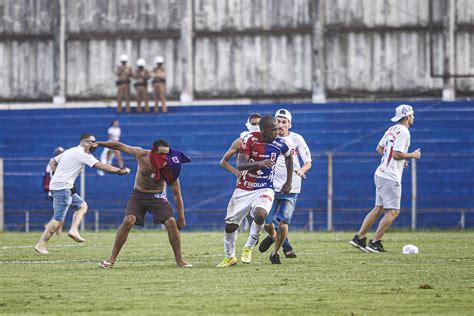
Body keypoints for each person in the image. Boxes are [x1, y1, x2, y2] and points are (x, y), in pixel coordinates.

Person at [92, 139, 193, 268]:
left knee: (171, 222)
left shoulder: (170, 166)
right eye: (161, 154)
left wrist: (182, 218)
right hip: (139, 194)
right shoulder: (142, 154)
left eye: (166, 154)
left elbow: (177, 194)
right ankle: (111, 260)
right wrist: (99, 143)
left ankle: (180, 261)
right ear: (153, 152)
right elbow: (119, 146)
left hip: (157, 196)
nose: (164, 157)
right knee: (129, 220)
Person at [216, 115, 293, 267]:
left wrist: (288, 182)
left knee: (261, 214)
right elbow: (240, 164)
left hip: (265, 187)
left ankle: (249, 246)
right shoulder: (249, 140)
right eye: (273, 130)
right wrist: (260, 163)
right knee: (231, 224)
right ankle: (230, 257)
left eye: (278, 129)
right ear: (263, 131)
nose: (277, 132)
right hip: (244, 187)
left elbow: (289, 157)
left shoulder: (280, 143)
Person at [34, 134, 130, 254]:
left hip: (62, 186)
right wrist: (119, 171)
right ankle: (41, 244)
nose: (95, 144)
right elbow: (101, 166)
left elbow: (53, 162)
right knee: (58, 218)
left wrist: (57, 176)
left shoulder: (70, 151)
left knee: (82, 205)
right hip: (63, 187)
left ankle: (74, 230)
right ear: (85, 142)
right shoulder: (83, 154)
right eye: (92, 142)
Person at [350, 104, 421, 253]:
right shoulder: (404, 132)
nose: (413, 117)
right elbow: (396, 154)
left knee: (378, 208)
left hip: (381, 172)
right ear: (407, 117)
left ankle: (360, 238)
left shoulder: (392, 129)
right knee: (394, 211)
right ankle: (374, 242)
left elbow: (380, 149)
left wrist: (399, 159)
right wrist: (412, 155)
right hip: (390, 176)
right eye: (412, 115)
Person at [258, 109, 312, 259]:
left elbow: (308, 161)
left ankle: (276, 252)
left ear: (290, 124)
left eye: (284, 122)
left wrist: (301, 170)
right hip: (271, 186)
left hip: (291, 187)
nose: (281, 125)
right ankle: (274, 237)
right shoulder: (269, 139)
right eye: (278, 121)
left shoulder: (297, 139)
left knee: (284, 222)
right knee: (266, 220)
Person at [220, 113, 261, 231]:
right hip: (244, 183)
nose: (256, 126)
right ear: (248, 125)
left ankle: (262, 234)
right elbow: (223, 161)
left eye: (259, 123)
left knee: (261, 213)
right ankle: (250, 233)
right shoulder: (240, 141)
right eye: (254, 124)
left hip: (262, 182)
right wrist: (236, 172)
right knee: (243, 214)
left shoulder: (266, 141)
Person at [42, 146, 65, 234]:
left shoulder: (51, 162)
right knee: (61, 211)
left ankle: (58, 231)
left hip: (53, 190)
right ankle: (52, 228)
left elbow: (46, 176)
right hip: (58, 189)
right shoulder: (58, 162)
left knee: (60, 211)